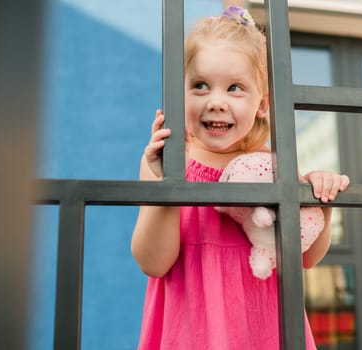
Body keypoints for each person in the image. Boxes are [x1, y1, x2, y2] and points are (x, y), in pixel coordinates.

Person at [131, 5, 350, 349]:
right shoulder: (167, 163)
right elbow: (152, 262)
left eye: (235, 88)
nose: (217, 102)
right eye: (200, 86)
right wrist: (166, 188)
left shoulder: (271, 167)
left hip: (263, 328)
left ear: (262, 104)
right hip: (192, 330)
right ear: (179, 93)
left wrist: (318, 199)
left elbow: (305, 255)